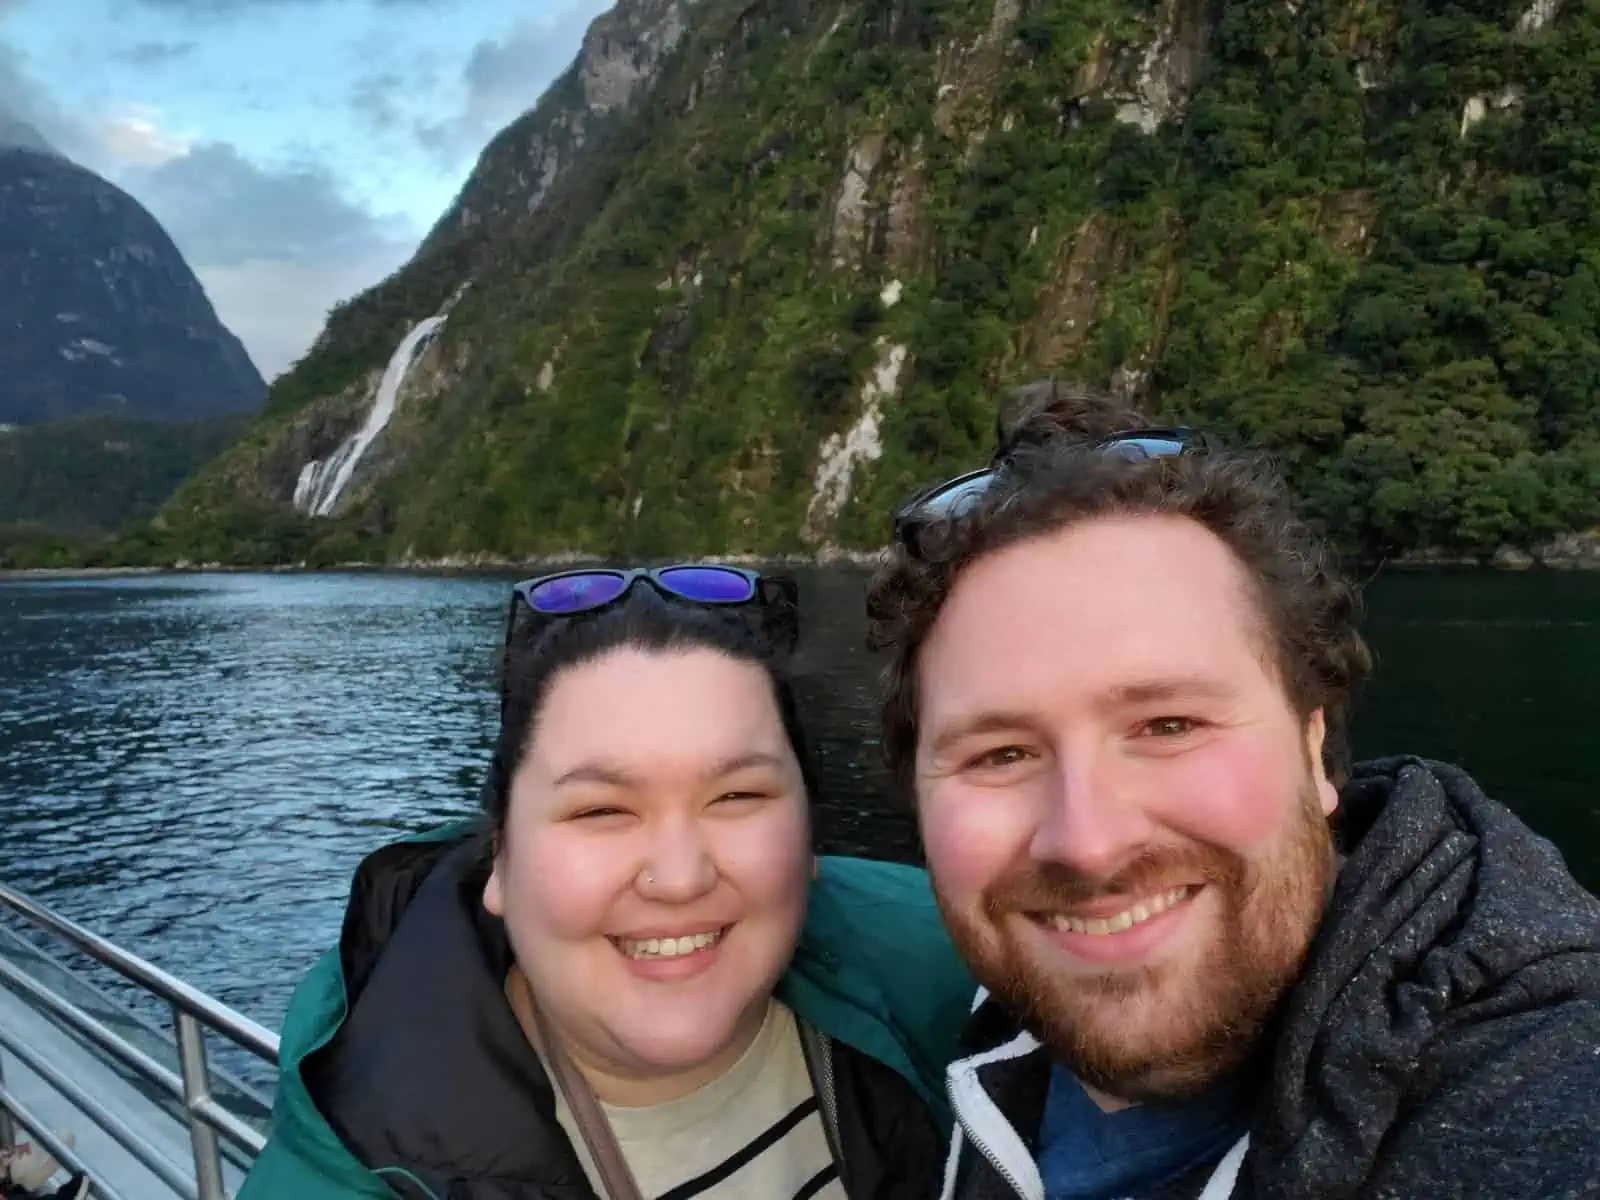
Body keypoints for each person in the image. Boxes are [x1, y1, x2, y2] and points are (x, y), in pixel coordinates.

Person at [866, 382, 1600, 1199]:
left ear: (1314, 748)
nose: (1087, 841)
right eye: (1001, 754)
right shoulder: (982, 1050)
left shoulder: (1544, 1082)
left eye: (1170, 725)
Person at [240, 564, 975, 1199]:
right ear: (499, 856)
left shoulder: (967, 968)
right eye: (601, 810)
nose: (680, 876)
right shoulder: (367, 1156)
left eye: (736, 797)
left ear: (809, 832)